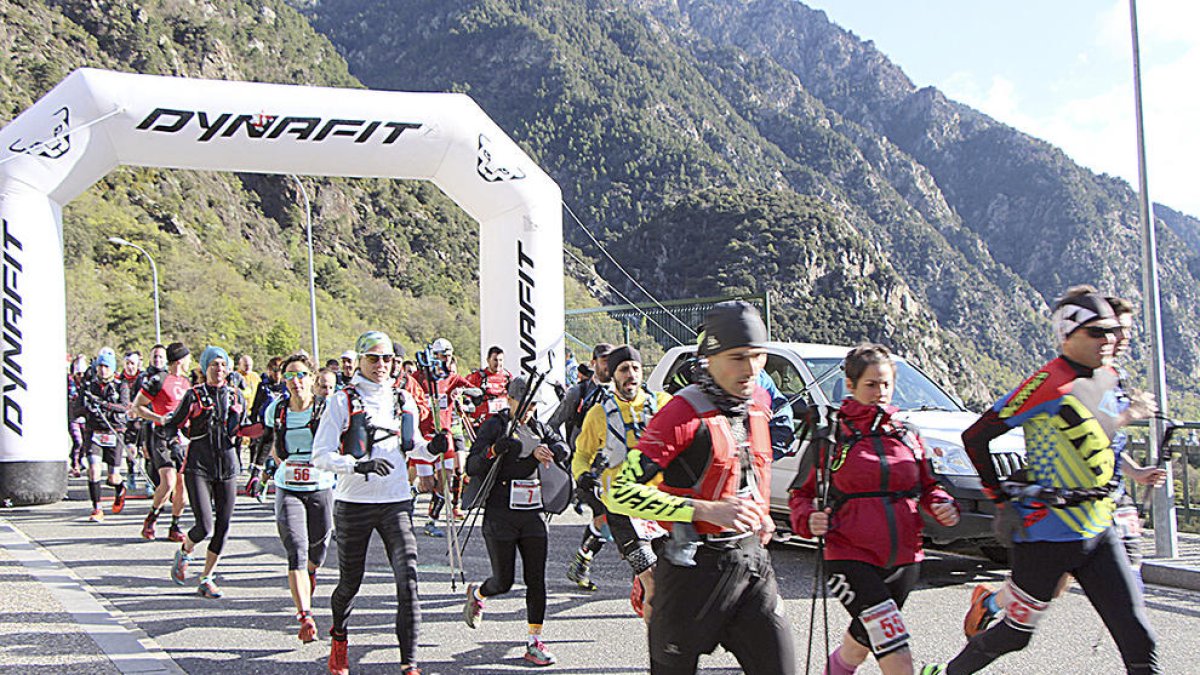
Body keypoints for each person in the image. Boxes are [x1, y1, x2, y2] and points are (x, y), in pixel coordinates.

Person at [923, 288, 1160, 675]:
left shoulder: (1110, 375)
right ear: (1068, 335)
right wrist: (998, 498)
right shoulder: (1047, 384)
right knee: (1016, 635)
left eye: (1113, 331)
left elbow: (1103, 445)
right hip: (1047, 537)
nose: (1110, 339)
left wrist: (1132, 470)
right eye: (1097, 332)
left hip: (1100, 530)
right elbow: (976, 436)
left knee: (1138, 638)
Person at [604, 302, 795, 675]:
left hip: (751, 565)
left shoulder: (757, 403)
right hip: (692, 572)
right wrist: (703, 510)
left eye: (758, 357)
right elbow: (619, 493)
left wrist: (763, 514)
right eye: (738, 357)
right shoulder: (681, 412)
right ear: (710, 356)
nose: (751, 369)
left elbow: (751, 465)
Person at [791, 344, 959, 675]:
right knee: (895, 650)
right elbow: (801, 493)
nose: (880, 392)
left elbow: (928, 485)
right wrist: (808, 519)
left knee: (863, 641)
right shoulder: (832, 435)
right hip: (849, 556)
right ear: (850, 386)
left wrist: (942, 502)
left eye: (886, 384)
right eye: (870, 384)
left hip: (905, 558)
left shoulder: (907, 434)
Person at [311, 331, 437, 675]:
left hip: (396, 501)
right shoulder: (341, 400)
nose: (381, 365)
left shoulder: (403, 399)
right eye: (373, 358)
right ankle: (339, 639)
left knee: (408, 579)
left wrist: (434, 447)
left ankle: (409, 663)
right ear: (361, 361)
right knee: (350, 582)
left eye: (387, 359)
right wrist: (357, 465)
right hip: (354, 502)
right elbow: (319, 456)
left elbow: (414, 445)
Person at [462, 375, 570, 666]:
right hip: (500, 515)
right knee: (504, 581)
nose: (529, 409)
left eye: (534, 404)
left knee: (536, 579)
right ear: (509, 400)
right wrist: (496, 449)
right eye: (524, 404)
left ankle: (535, 641)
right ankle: (480, 592)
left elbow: (562, 446)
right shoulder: (495, 425)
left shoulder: (539, 427)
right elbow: (472, 464)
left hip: (533, 514)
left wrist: (558, 452)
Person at [568, 345, 671, 602]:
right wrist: (582, 475)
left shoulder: (662, 404)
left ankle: (648, 605)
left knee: (670, 582)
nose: (631, 374)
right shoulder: (599, 414)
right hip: (622, 508)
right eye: (624, 369)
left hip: (661, 504)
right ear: (613, 375)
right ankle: (663, 636)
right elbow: (581, 454)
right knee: (653, 579)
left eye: (636, 368)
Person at [165, 346, 251, 599]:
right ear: (205, 368)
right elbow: (172, 426)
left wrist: (256, 431)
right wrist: (174, 446)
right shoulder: (194, 395)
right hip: (198, 466)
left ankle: (206, 578)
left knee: (223, 526)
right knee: (204, 525)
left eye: (223, 365)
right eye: (214, 364)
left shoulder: (236, 396)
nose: (219, 369)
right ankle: (185, 550)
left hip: (227, 465)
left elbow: (244, 429)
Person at [266, 353, 335, 643]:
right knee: (296, 548)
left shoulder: (327, 408)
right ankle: (305, 615)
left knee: (317, 552)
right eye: (291, 375)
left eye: (302, 375)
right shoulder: (276, 411)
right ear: (284, 380)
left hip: (320, 485)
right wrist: (274, 465)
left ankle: (311, 573)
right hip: (289, 485)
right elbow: (271, 445)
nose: (297, 381)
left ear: (312, 377)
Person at [414, 339, 474, 537]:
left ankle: (432, 520)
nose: (445, 360)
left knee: (446, 480)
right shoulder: (420, 376)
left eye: (448, 356)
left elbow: (472, 389)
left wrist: (469, 393)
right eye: (441, 356)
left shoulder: (452, 377)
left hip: (445, 434)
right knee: (427, 484)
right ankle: (412, 492)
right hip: (424, 437)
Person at [136, 343, 193, 542]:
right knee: (167, 481)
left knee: (182, 487)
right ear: (179, 360)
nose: (190, 362)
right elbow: (137, 407)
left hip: (182, 438)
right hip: (161, 435)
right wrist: (158, 418)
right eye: (188, 358)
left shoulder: (187, 382)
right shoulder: (158, 380)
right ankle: (152, 518)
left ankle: (175, 526)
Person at [79, 349, 131, 521]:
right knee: (93, 469)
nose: (103, 370)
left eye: (106, 367)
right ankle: (97, 508)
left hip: (114, 432)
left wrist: (103, 404)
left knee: (113, 477)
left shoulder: (120, 385)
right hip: (94, 432)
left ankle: (120, 487)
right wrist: (86, 407)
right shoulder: (89, 386)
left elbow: (124, 407)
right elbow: (77, 407)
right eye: (100, 366)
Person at [549, 342, 614, 447]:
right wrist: (564, 449)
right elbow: (552, 426)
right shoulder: (578, 392)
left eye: (613, 361)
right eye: (605, 361)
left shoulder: (623, 393)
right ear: (593, 363)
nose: (609, 366)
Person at [247, 356, 286, 500]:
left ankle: (273, 486)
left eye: (279, 371)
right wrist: (252, 428)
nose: (276, 374)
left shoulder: (287, 386)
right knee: (270, 459)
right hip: (266, 425)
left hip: (284, 426)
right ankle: (261, 483)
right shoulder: (264, 386)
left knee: (280, 460)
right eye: (274, 370)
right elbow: (256, 406)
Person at [117, 351, 145, 493]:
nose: (129, 367)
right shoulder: (119, 379)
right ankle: (131, 473)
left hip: (142, 417)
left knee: (145, 449)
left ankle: (147, 479)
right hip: (126, 420)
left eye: (132, 363)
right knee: (131, 449)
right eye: (127, 363)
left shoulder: (143, 378)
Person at [466, 346, 513, 429]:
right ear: (488, 360)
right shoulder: (477, 377)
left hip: (501, 423)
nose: (498, 363)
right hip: (482, 424)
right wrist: (468, 416)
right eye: (495, 360)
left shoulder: (507, 377)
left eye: (500, 360)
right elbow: (464, 394)